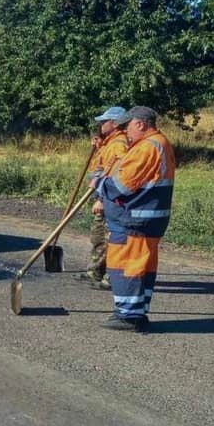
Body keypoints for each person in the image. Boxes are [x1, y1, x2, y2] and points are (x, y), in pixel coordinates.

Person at [95, 106, 176, 331]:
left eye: (127, 126)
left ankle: (128, 316)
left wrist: (101, 185)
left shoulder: (147, 147)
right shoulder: (159, 143)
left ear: (139, 124)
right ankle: (137, 312)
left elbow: (122, 185)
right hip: (147, 219)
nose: (125, 131)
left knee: (125, 267)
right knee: (143, 268)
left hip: (134, 219)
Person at [78, 106, 128, 290]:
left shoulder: (119, 144)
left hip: (110, 198)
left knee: (107, 237)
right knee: (98, 236)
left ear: (114, 124)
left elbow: (116, 173)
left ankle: (110, 275)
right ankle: (96, 271)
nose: (100, 125)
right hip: (104, 195)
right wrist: (99, 146)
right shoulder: (110, 142)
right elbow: (101, 168)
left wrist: (101, 197)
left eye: (103, 122)